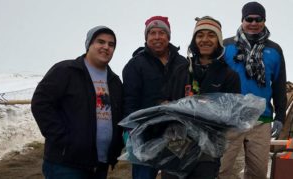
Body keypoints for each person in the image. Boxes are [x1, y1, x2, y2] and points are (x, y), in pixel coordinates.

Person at [31, 26, 124, 179]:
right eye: (100, 42)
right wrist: (62, 138)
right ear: (89, 44)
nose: (106, 47)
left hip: (100, 163)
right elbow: (41, 103)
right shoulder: (66, 71)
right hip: (66, 163)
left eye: (111, 44)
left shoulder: (114, 82)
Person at [162, 16, 241, 179]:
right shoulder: (179, 71)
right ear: (194, 40)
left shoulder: (229, 76)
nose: (205, 40)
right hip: (175, 146)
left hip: (207, 151)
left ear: (219, 40)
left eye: (211, 35)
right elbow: (164, 101)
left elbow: (232, 114)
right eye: (200, 35)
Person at [218, 2, 287, 179]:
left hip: (261, 120)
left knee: (258, 172)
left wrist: (280, 117)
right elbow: (215, 80)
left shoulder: (275, 50)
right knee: (222, 169)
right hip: (231, 118)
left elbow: (279, 86)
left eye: (259, 19)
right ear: (242, 20)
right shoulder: (226, 46)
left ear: (264, 21)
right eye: (249, 19)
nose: (254, 23)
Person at [122, 16, 188, 179]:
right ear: (146, 37)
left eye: (161, 32)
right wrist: (132, 131)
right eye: (152, 33)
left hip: (176, 134)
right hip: (145, 135)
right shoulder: (135, 64)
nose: (157, 37)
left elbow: (189, 95)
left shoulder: (183, 63)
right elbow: (129, 100)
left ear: (168, 36)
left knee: (176, 176)